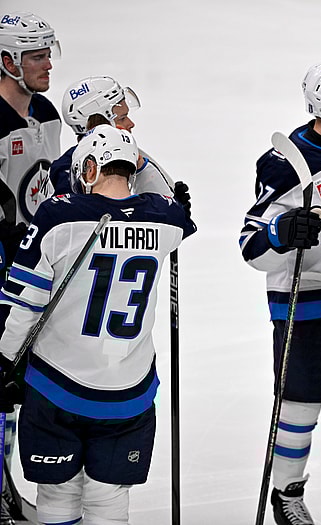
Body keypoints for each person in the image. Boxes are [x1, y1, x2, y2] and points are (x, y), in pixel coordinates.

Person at [0, 124, 195, 525]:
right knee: (110, 500)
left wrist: (3, 360)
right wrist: (145, 166)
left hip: (57, 385)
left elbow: (24, 302)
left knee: (58, 494)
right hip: (129, 391)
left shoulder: (57, 217)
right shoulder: (168, 221)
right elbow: (171, 201)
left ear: (89, 169)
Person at [238, 59, 321, 525]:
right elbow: (251, 247)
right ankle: (287, 494)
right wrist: (281, 233)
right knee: (299, 403)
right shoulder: (283, 163)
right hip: (306, 297)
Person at [0, 12, 61, 523]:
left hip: (35, 269)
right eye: (36, 56)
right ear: (7, 61)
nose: (47, 65)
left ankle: (4, 486)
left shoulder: (46, 111)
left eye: (47, 54)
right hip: (3, 269)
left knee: (15, 386)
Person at [53, 75, 174, 198]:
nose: (131, 124)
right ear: (98, 124)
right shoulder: (65, 175)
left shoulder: (130, 154)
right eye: (122, 118)